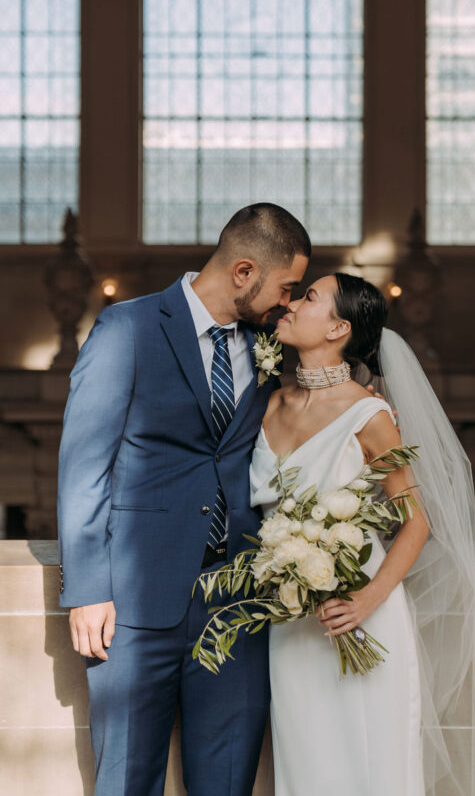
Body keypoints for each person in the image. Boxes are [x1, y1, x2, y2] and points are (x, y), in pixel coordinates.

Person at [57, 202, 310, 796]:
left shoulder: (273, 346)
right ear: (244, 272)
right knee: (126, 780)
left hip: (238, 603)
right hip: (137, 603)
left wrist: (366, 407)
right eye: (286, 287)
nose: (289, 303)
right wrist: (89, 588)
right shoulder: (128, 329)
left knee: (227, 782)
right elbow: (83, 466)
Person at [250, 272, 475, 796]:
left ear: (337, 329)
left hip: (360, 612)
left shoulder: (370, 414)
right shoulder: (269, 403)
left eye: (309, 298)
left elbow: (417, 520)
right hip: (291, 620)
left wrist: (368, 599)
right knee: (306, 767)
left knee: (371, 766)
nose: (292, 304)